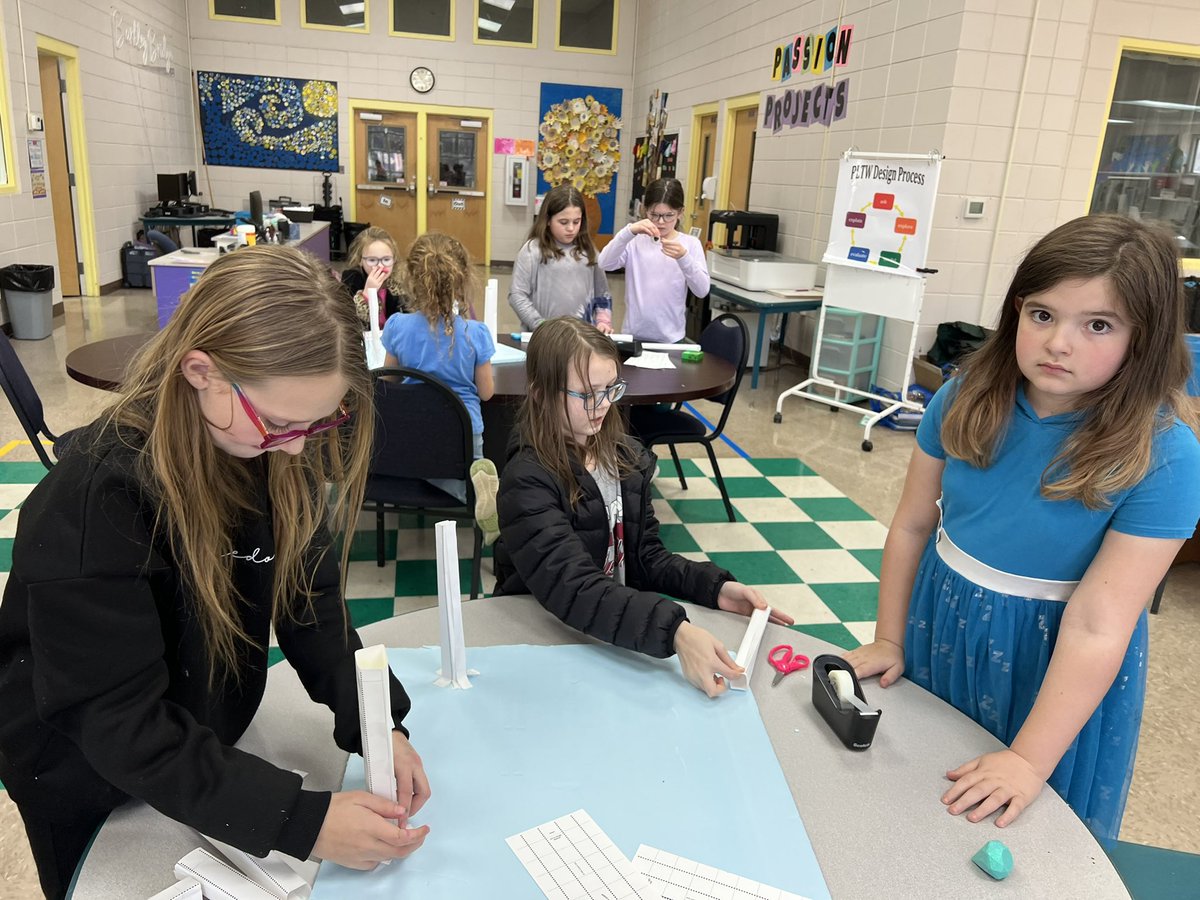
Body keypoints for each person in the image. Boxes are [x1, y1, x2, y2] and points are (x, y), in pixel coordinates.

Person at [0, 245, 431, 899]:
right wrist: (302, 821)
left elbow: (310, 606)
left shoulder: (270, 446)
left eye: (319, 423)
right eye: (282, 422)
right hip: (81, 767)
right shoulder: (99, 497)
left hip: (194, 735)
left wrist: (380, 725)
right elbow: (118, 722)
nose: (297, 444)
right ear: (200, 371)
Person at [844, 214, 1200, 843]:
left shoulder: (1164, 453)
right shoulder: (964, 396)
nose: (1058, 343)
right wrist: (891, 639)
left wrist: (1031, 759)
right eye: (1041, 315)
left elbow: (1100, 622)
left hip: (1055, 658)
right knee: (922, 794)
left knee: (1022, 828)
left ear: (1144, 338)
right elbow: (911, 527)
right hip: (942, 618)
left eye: (1097, 325)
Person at [492, 317, 793, 697]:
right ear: (539, 393)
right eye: (586, 395)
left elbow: (645, 557)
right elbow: (575, 588)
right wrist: (676, 632)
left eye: (609, 389)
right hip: (542, 638)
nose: (601, 407)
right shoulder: (527, 480)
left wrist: (715, 588)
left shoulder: (621, 457)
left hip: (610, 635)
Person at [380, 232, 498, 526]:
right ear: (462, 280)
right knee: (468, 459)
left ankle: (444, 483)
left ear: (410, 279)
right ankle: (468, 490)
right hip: (462, 436)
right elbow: (486, 393)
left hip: (412, 433)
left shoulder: (397, 327)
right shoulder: (476, 333)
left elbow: (389, 381)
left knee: (422, 454)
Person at [597, 177, 709, 343]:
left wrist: (684, 258)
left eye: (668, 215)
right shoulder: (635, 241)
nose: (661, 222)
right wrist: (628, 232)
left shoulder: (690, 244)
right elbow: (604, 263)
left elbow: (702, 290)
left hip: (671, 339)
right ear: (644, 210)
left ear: (680, 212)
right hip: (633, 336)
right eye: (654, 215)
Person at [508, 184, 613, 333]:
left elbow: (602, 294)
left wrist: (603, 321)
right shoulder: (532, 250)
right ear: (548, 220)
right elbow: (517, 295)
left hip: (581, 338)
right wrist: (539, 325)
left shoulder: (589, 251)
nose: (571, 228)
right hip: (543, 338)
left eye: (576, 222)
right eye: (563, 222)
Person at [341, 226, 410, 330]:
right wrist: (367, 293)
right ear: (360, 260)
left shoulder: (400, 281)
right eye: (372, 260)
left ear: (394, 259)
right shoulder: (351, 279)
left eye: (386, 260)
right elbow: (349, 323)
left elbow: (407, 318)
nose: (380, 266)